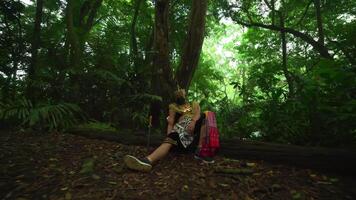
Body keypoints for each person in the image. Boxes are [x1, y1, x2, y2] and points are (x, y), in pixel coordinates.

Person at [123, 89, 214, 172]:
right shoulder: (174, 107)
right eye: (178, 92)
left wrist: (193, 122)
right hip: (178, 136)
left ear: (185, 94)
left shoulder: (194, 105)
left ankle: (200, 151)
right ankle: (147, 161)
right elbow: (170, 123)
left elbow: (198, 115)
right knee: (172, 136)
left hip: (190, 139)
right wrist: (168, 137)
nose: (180, 92)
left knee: (207, 115)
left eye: (182, 91)